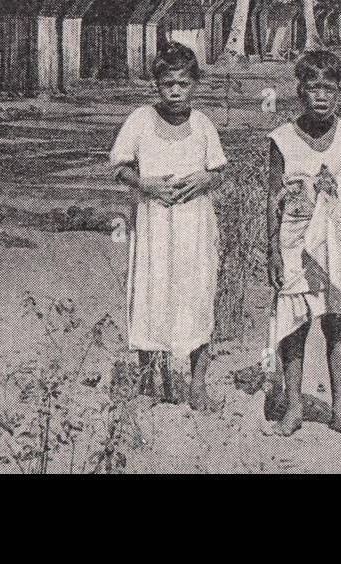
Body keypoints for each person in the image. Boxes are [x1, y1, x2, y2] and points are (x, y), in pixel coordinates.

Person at [110, 41, 226, 410]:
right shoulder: (141, 119)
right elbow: (119, 166)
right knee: (150, 293)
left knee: (197, 295)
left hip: (194, 224)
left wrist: (205, 180)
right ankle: (149, 380)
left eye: (183, 83)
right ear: (156, 84)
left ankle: (197, 384)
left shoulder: (203, 124)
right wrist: (144, 182)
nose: (175, 91)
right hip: (154, 223)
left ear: (195, 84)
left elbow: (219, 170)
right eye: (167, 83)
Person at [266, 49, 341, 438]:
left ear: (340, 92)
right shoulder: (281, 139)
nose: (321, 96)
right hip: (293, 239)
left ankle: (339, 410)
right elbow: (271, 197)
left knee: (337, 322)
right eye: (313, 88)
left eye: (329, 88)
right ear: (299, 91)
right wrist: (272, 251)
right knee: (294, 325)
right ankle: (292, 407)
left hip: (337, 241)